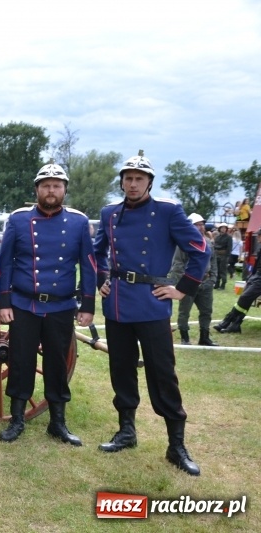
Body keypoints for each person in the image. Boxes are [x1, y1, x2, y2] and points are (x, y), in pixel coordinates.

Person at [94, 150, 208, 476]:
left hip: (152, 303)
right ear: (122, 182)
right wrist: (102, 279)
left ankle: (176, 445)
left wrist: (182, 288)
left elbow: (200, 250)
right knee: (121, 370)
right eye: (128, 179)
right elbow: (96, 252)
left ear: (149, 183)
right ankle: (126, 432)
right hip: (117, 304)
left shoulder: (168, 211)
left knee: (162, 373)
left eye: (139, 179)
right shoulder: (109, 214)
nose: (132, 184)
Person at [0, 160, 96, 446]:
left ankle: (57, 423)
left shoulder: (78, 222)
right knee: (20, 361)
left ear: (64, 190)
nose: (51, 191)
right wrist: (4, 302)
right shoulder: (18, 220)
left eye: (56, 186)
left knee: (57, 363)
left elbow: (88, 264)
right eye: (45, 186)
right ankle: (17, 420)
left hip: (60, 306)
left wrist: (88, 304)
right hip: (24, 304)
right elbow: (5, 263)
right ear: (36, 190)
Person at [169, 213, 217, 346]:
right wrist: (183, 283)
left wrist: (213, 278)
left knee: (206, 311)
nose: (201, 227)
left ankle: (204, 337)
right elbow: (178, 264)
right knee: (184, 311)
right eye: (197, 224)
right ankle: (185, 338)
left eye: (202, 224)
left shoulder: (207, 242)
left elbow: (213, 261)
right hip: (189, 282)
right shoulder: (183, 243)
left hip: (206, 281)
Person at [214, 243, 261, 334]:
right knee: (245, 299)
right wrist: (251, 276)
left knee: (245, 297)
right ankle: (235, 325)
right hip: (256, 276)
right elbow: (256, 263)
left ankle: (227, 321)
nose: (258, 238)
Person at [213, 222, 232, 290]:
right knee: (217, 270)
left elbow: (229, 248)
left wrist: (226, 256)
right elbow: (215, 246)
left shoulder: (229, 237)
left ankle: (223, 284)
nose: (223, 229)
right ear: (219, 229)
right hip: (217, 255)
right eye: (222, 228)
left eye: (224, 228)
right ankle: (217, 283)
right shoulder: (217, 237)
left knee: (223, 270)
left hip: (224, 256)